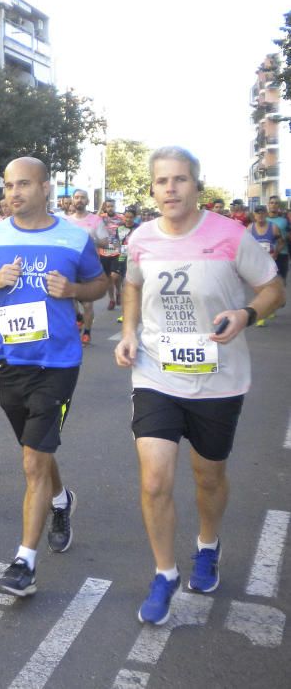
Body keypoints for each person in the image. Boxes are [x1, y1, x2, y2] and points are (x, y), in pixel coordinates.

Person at [114, 146, 284, 625]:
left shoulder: (231, 237)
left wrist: (247, 313)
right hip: (155, 372)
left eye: (181, 180)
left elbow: (274, 289)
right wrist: (129, 331)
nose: (171, 188)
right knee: (154, 478)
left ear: (196, 186)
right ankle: (164, 573)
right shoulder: (141, 238)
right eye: (163, 181)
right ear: (152, 189)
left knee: (208, 475)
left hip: (219, 379)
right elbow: (132, 284)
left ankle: (207, 545)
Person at [0, 157, 107, 597]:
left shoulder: (75, 238)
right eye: (8, 185)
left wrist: (75, 291)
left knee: (31, 461)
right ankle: (61, 501)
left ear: (46, 187)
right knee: (34, 451)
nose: (13, 193)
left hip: (58, 363)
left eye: (23, 184)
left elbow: (100, 286)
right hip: (12, 361)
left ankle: (24, 563)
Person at [66, 189, 109, 345]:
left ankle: (87, 332)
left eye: (82, 198)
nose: (79, 200)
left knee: (87, 303)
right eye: (76, 197)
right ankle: (78, 318)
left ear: (87, 201)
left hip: (88, 266)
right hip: (70, 265)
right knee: (70, 298)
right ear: (72, 200)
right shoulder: (66, 221)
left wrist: (91, 240)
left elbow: (105, 241)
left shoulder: (96, 220)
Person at [98, 199, 124, 311]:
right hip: (104, 252)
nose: (110, 208)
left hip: (117, 252)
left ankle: (118, 291)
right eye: (108, 206)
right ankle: (112, 299)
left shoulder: (121, 219)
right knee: (108, 278)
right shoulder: (102, 217)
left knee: (115, 276)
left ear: (115, 206)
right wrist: (100, 207)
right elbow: (93, 219)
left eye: (112, 206)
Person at [266, 195, 289, 284]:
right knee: (267, 285)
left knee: (281, 283)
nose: (274, 205)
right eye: (272, 203)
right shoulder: (263, 219)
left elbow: (288, 236)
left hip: (282, 255)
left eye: (276, 203)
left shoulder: (284, 220)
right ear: (268, 204)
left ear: (279, 205)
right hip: (267, 255)